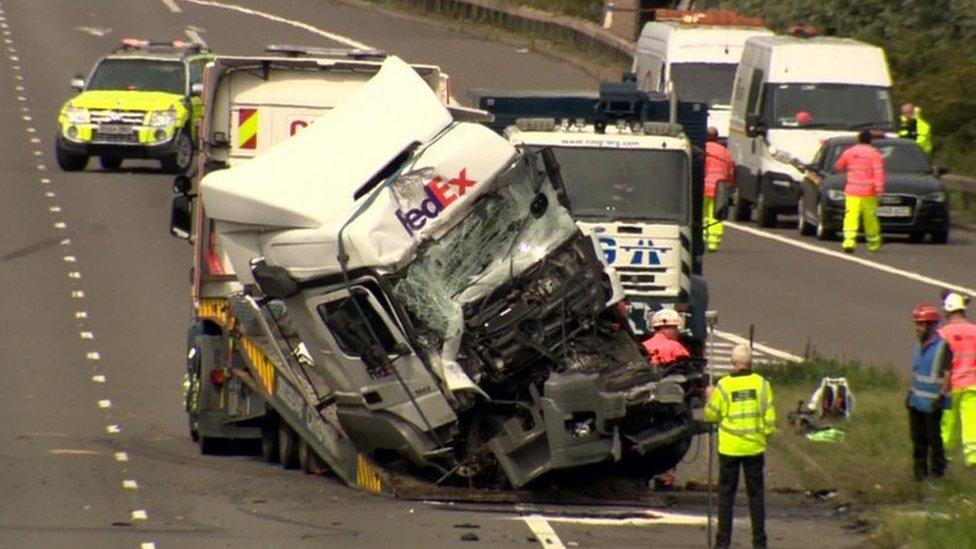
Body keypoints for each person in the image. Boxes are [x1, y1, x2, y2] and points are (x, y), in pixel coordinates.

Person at [705, 344, 775, 549]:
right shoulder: (762, 384)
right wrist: (763, 436)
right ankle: (759, 542)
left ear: (733, 363)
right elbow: (769, 417)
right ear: (750, 362)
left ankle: (723, 541)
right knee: (756, 496)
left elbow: (712, 415)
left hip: (729, 448)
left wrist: (710, 398)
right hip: (754, 447)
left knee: (726, 495)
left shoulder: (724, 385)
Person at [907, 304, 950, 481]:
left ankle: (938, 472)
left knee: (933, 438)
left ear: (931, 326)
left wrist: (941, 396)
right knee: (918, 438)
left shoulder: (942, 347)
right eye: (917, 324)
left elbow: (948, 373)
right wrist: (910, 393)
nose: (918, 328)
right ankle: (919, 472)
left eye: (922, 324)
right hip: (916, 400)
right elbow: (917, 371)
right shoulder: (918, 346)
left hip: (933, 401)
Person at [939, 292, 976, 468]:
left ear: (947, 311)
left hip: (951, 386)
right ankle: (973, 459)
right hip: (973, 384)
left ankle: (943, 458)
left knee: (948, 425)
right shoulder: (975, 331)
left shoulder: (942, 333)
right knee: (972, 422)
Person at [834, 130, 885, 254]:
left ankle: (849, 241)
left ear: (858, 139)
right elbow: (879, 173)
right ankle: (873, 243)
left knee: (851, 216)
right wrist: (879, 190)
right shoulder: (875, 154)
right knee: (870, 218)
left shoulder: (849, 152)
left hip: (852, 191)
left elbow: (838, 166)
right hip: (869, 192)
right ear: (870, 140)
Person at [704, 126, 734, 252]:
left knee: (703, 213)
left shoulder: (702, 148)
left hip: (703, 186)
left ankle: (703, 238)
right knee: (716, 214)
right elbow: (730, 170)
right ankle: (713, 243)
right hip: (720, 187)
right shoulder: (724, 151)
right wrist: (731, 185)